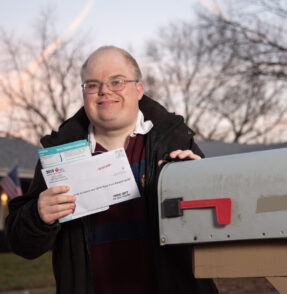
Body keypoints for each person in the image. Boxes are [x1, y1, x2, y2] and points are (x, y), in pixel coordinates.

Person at [5, 46, 219, 294]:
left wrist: (202, 183)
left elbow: (216, 227)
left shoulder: (175, 141)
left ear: (139, 89)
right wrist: (38, 215)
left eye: (116, 82)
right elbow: (22, 244)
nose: (104, 91)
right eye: (92, 84)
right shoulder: (59, 156)